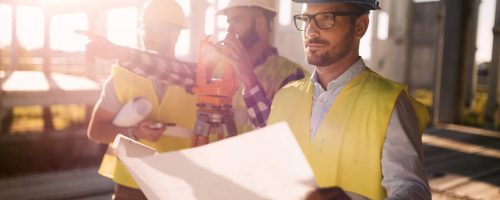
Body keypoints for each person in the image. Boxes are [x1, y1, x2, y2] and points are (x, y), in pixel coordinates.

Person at [267, 0, 431, 199]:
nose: (310, 31)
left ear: (360, 26)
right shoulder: (285, 97)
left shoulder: (390, 103)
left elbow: (410, 189)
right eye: (305, 19)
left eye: (326, 18)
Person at [84, 0, 309, 134]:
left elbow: (281, 135)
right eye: (227, 22)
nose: (229, 29)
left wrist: (247, 75)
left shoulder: (292, 76)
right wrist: (119, 52)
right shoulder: (222, 69)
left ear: (261, 23)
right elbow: (174, 70)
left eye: (237, 20)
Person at [86, 0, 197, 199]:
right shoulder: (121, 75)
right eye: (145, 27)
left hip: (182, 185)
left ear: (176, 32)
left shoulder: (195, 79)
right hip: (132, 184)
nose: (148, 34)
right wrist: (134, 132)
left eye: (158, 28)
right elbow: (96, 131)